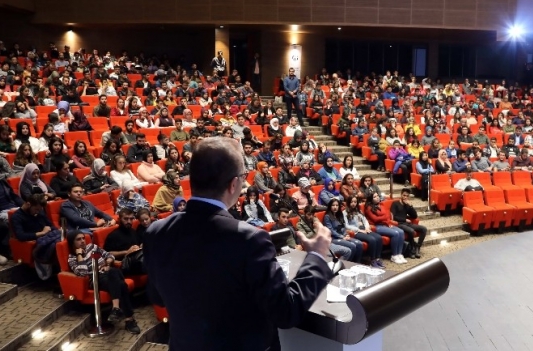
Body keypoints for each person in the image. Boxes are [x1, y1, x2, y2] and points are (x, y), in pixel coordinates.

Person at [143, 137, 334, 351]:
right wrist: (316, 257)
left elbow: (157, 296)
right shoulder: (249, 239)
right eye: (243, 177)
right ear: (234, 184)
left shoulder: (156, 231)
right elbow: (285, 312)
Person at [66, 230, 140, 333]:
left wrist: (108, 263)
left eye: (83, 238)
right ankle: (129, 320)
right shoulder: (72, 258)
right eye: (79, 239)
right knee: (121, 284)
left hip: (108, 274)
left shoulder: (92, 247)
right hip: (95, 280)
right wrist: (80, 256)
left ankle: (116, 308)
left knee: (113, 272)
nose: (83, 241)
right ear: (72, 242)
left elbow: (109, 255)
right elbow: (83, 273)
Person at [11, 194, 59, 279]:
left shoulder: (40, 212)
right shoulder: (17, 217)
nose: (38, 212)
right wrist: (41, 233)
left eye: (40, 210)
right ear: (28, 204)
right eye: (36, 209)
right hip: (36, 241)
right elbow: (21, 236)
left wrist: (48, 230)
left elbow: (51, 226)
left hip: (48, 237)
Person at [365, 193, 408, 264]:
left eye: (377, 196)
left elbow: (387, 216)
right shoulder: (369, 208)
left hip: (385, 224)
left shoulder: (381, 205)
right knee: (395, 233)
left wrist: (387, 223)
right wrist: (384, 217)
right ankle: (394, 255)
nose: (377, 198)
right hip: (376, 226)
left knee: (401, 232)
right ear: (371, 199)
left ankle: (399, 254)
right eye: (374, 197)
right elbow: (375, 219)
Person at [103, 208, 145, 276]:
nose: (129, 221)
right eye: (125, 219)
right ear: (119, 219)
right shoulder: (113, 235)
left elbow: (139, 245)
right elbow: (107, 253)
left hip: (138, 261)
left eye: (131, 219)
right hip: (124, 264)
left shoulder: (133, 232)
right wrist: (127, 252)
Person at [390, 188, 427, 259]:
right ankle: (412, 248)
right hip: (399, 224)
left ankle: (417, 247)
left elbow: (414, 216)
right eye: (404, 195)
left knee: (423, 229)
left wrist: (410, 206)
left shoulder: (407, 205)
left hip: (407, 224)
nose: (405, 197)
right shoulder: (395, 203)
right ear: (401, 195)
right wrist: (405, 219)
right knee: (411, 231)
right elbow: (393, 217)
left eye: (407, 196)